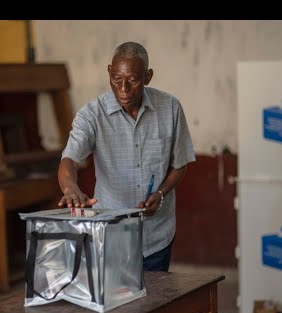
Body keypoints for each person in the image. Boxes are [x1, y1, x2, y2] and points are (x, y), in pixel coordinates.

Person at [58, 41, 195, 274]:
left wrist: (160, 193)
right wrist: (70, 188)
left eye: (133, 80)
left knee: (153, 304)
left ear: (148, 76)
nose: (123, 89)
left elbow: (180, 163)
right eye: (116, 79)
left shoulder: (170, 108)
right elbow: (69, 159)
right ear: (109, 72)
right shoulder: (92, 114)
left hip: (157, 236)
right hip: (111, 237)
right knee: (115, 307)